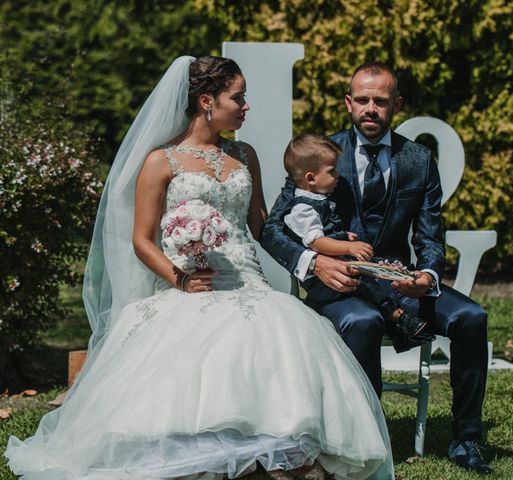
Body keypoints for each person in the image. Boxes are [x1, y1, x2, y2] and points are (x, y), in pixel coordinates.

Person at [4, 56, 394, 480]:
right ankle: (214, 457)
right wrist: (182, 278)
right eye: (238, 97)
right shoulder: (160, 161)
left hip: (250, 284)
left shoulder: (245, 154)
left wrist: (319, 252)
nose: (246, 106)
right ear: (207, 101)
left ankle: (277, 456)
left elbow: (263, 226)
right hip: (188, 285)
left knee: (279, 340)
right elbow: (142, 239)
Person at [261, 62, 493, 475]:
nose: (371, 108)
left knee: (472, 316)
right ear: (349, 103)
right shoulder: (320, 154)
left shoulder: (419, 159)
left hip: (398, 279)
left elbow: (429, 236)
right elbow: (273, 227)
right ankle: (366, 441)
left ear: (396, 104)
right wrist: (315, 261)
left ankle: (466, 441)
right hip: (340, 285)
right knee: (363, 323)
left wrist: (428, 275)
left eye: (380, 101)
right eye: (363, 100)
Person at [282, 132, 434, 340]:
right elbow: (316, 241)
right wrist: (347, 247)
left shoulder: (318, 199)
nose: (337, 175)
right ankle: (398, 317)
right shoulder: (303, 209)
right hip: (327, 281)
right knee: (368, 282)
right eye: (332, 171)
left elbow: (324, 231)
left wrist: (345, 235)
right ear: (311, 178)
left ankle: (400, 289)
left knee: (373, 271)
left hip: (343, 267)